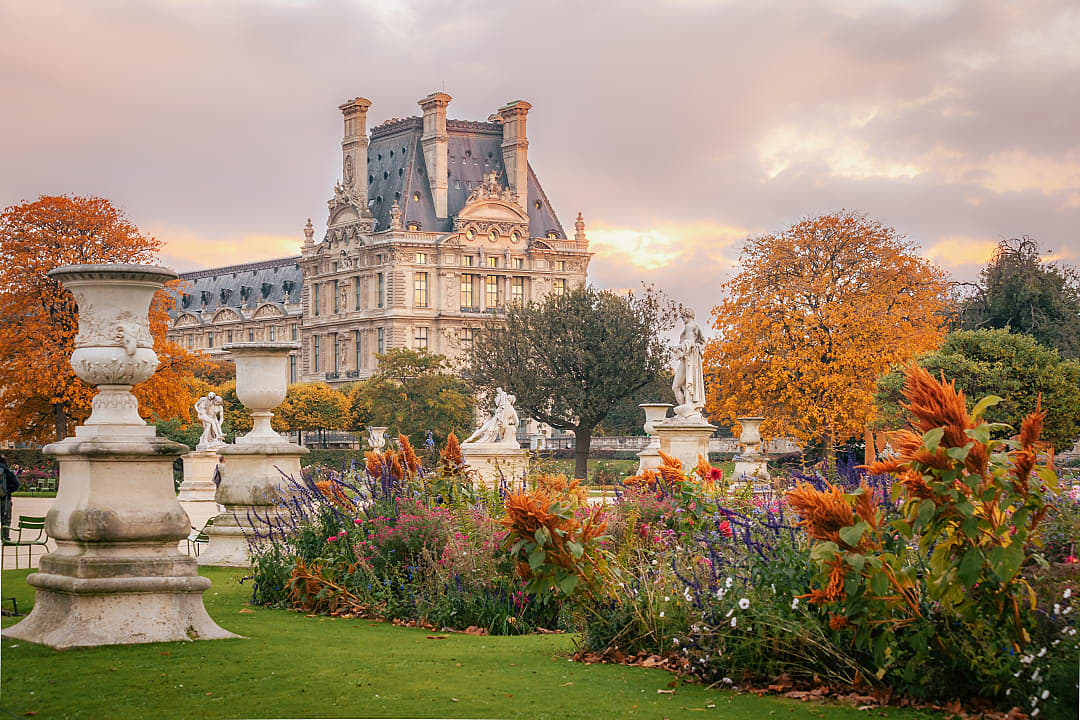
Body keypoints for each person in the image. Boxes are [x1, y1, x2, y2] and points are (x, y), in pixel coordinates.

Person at [0, 455, 20, 541]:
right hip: (5, 498)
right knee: (6, 520)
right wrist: (8, 491)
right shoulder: (7, 471)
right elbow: (16, 484)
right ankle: (5, 537)